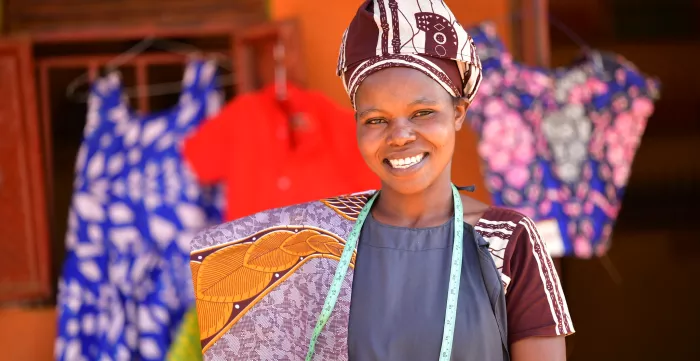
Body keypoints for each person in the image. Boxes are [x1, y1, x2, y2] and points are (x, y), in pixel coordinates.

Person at [188, 1, 574, 360]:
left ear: (458, 112)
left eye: (423, 112)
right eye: (375, 119)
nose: (400, 135)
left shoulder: (507, 242)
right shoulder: (309, 245)